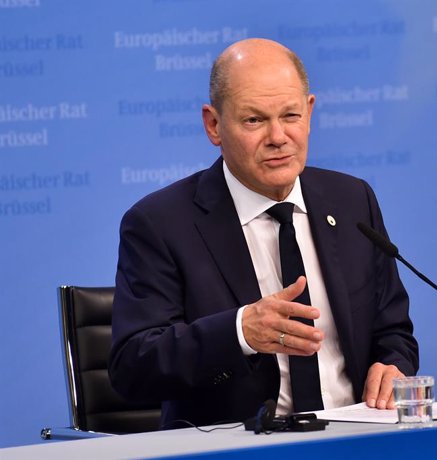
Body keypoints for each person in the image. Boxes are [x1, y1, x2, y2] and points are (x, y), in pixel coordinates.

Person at [108, 38, 418, 429]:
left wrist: (393, 366)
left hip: (355, 438)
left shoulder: (353, 201)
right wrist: (240, 331)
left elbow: (393, 330)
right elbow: (133, 365)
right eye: (254, 120)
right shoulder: (160, 223)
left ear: (309, 113)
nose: (277, 137)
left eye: (290, 116)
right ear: (214, 125)